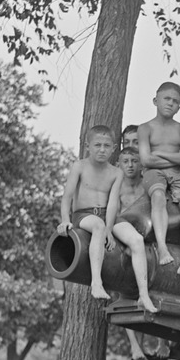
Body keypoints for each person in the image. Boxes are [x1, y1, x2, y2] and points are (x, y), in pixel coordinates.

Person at [138, 82, 180, 285]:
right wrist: (177, 156)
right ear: (156, 100)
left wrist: (162, 153)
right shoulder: (145, 128)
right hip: (153, 172)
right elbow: (146, 161)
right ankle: (162, 246)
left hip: (179, 173)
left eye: (175, 101)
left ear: (179, 107)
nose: (171, 104)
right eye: (167, 99)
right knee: (158, 197)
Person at [57, 125, 121, 299]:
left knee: (132, 237)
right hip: (83, 216)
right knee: (98, 226)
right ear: (87, 146)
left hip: (104, 216)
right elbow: (67, 197)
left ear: (114, 148)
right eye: (97, 145)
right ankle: (96, 283)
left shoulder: (116, 173)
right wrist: (65, 220)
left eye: (106, 146)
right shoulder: (80, 166)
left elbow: (113, 203)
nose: (102, 150)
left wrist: (110, 228)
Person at [104, 146, 159, 313]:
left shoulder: (146, 186)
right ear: (118, 164)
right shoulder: (116, 186)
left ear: (141, 164)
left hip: (145, 231)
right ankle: (139, 295)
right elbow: (113, 215)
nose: (130, 166)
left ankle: (144, 295)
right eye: (125, 162)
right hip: (121, 230)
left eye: (134, 161)